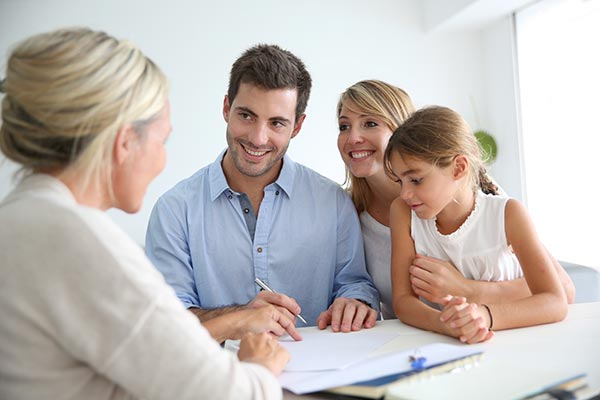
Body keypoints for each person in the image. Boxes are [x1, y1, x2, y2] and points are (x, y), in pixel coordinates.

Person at [0, 27, 289, 400]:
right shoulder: (81, 244)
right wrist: (261, 367)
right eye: (162, 141)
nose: (162, 160)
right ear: (125, 143)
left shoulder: (19, 217)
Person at [145, 44, 380, 334]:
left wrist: (355, 301)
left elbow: (355, 283)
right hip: (218, 374)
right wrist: (241, 316)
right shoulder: (174, 211)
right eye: (246, 115)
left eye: (277, 123)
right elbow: (166, 318)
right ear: (226, 108)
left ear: (297, 126)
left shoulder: (334, 203)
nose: (258, 138)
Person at [336, 80, 574, 319]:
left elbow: (562, 290)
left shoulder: (480, 192)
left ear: (403, 130)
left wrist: (468, 291)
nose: (353, 137)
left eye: (370, 123)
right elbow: (384, 296)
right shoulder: (347, 213)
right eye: (344, 126)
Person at [385, 105, 569, 344]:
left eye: (416, 180)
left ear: (459, 168)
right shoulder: (402, 212)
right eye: (400, 181)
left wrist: (484, 316)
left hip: (517, 343)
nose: (406, 193)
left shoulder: (508, 214)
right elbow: (403, 301)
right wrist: (447, 325)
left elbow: (555, 301)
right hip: (448, 346)